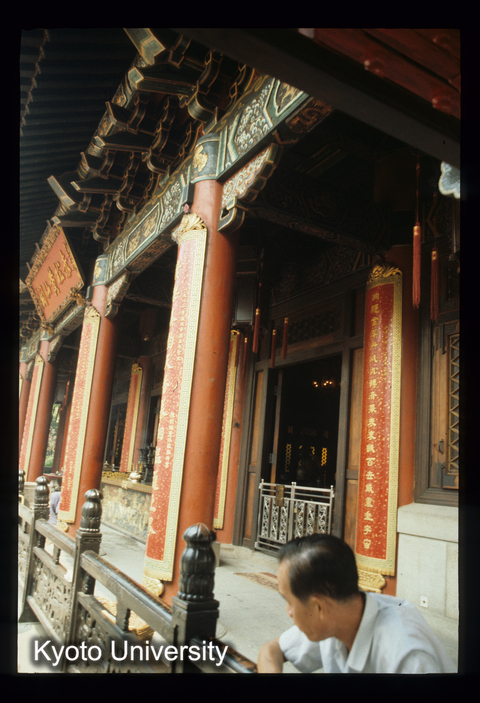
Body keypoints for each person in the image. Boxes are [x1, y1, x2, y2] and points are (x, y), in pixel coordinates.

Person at [257, 533, 456, 674]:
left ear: (319, 607)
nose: (289, 611)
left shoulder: (407, 657)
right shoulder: (335, 616)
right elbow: (271, 649)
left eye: (289, 602)